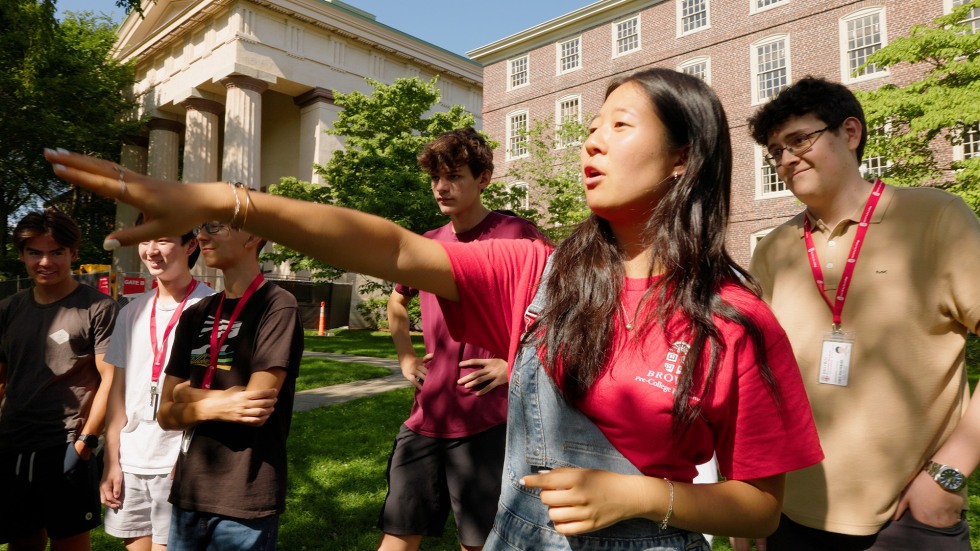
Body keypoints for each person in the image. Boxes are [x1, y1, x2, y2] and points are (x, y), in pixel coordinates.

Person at [45, 67, 824, 550]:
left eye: (618, 127)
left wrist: (645, 495)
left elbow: (758, 508)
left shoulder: (735, 320)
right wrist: (227, 199)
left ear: (684, 155)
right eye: (589, 127)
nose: (590, 144)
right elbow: (387, 249)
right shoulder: (538, 273)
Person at [741, 76, 980, 550]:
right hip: (791, 514)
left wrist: (948, 474)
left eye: (800, 140)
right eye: (775, 150)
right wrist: (752, 504)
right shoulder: (772, 250)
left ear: (850, 133)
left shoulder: (937, 218)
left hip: (908, 518)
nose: (786, 159)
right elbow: (756, 383)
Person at [380, 128, 546, 551]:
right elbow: (396, 305)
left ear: (484, 178)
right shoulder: (428, 244)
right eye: (436, 177)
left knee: (478, 542)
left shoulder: (518, 235)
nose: (441, 186)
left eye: (453, 176)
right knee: (397, 533)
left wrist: (512, 364)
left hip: (487, 418)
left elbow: (559, 311)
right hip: (426, 413)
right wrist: (406, 358)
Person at [155, 214, 304, 550]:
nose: (202, 237)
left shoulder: (277, 306)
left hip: (244, 495)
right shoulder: (196, 313)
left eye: (214, 227)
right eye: (200, 228)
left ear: (252, 235)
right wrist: (220, 401)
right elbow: (164, 414)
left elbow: (254, 407)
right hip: (190, 491)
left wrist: (185, 396)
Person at [0, 209, 118, 551]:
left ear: (73, 254)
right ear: (22, 255)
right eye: (35, 252)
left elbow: (109, 380)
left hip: (66, 445)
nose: (45, 262)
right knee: (22, 543)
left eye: (56, 252)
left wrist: (85, 442)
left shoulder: (98, 308)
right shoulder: (9, 309)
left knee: (69, 544)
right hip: (13, 444)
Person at [100, 215, 214, 551]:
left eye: (162, 240)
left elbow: (207, 390)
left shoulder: (208, 308)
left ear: (190, 245)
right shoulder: (130, 312)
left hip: (177, 461)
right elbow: (117, 393)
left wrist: (187, 459)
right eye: (145, 240)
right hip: (131, 460)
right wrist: (111, 461)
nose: (151, 251)